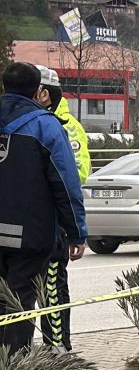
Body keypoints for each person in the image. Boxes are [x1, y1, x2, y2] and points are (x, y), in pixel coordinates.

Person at [0, 62, 87, 353]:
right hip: (30, 233)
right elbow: (65, 184)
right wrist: (76, 233)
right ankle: (14, 369)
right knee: (21, 299)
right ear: (38, 91)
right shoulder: (46, 126)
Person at [34, 65, 89, 351]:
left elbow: (77, 175)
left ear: (45, 94)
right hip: (28, 219)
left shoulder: (66, 126)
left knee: (52, 288)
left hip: (54, 221)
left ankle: (57, 347)